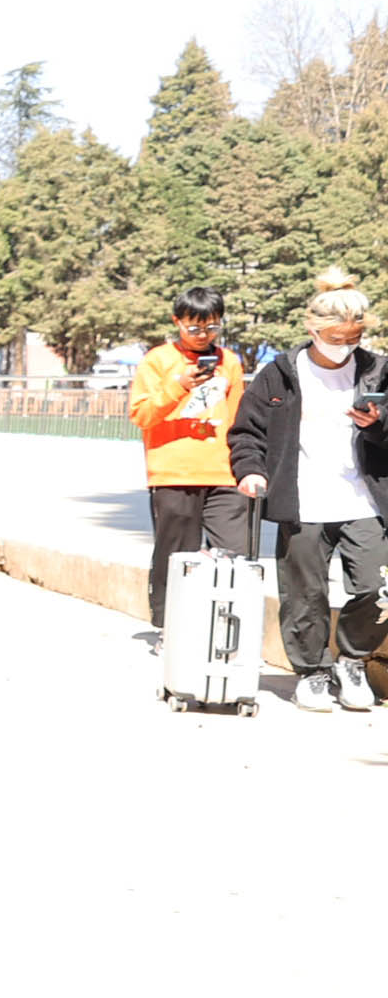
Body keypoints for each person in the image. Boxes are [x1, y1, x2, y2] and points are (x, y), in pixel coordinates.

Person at [228, 269, 388, 713]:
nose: (345, 346)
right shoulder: (280, 373)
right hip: (303, 501)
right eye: (336, 338)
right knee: (305, 595)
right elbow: (247, 432)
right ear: (313, 329)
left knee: (379, 588)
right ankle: (312, 672)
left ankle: (352, 661)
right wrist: (250, 471)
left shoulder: (378, 370)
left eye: (354, 338)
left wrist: (379, 426)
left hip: (365, 500)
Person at [129, 288, 251, 631]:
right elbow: (141, 415)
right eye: (194, 328)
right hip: (175, 473)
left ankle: (224, 630)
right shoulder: (158, 360)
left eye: (212, 328)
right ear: (177, 322)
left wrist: (246, 466)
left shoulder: (229, 361)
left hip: (224, 474)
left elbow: (238, 417)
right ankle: (170, 628)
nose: (203, 336)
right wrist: (179, 385)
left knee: (233, 554)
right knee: (177, 556)